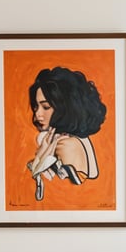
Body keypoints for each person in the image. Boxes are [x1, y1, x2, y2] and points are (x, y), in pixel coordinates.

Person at [26, 67, 106, 200]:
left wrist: (43, 152)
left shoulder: (65, 144)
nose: (37, 114)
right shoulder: (74, 139)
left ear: (64, 108)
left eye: (46, 107)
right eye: (36, 107)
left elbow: (65, 196)